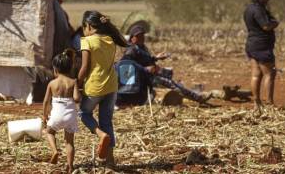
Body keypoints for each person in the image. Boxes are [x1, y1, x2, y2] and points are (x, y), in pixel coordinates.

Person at [77, 10, 128, 165]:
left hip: (94, 86)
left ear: (89, 26)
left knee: (84, 113)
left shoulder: (87, 41)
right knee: (106, 121)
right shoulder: (110, 39)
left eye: (83, 27)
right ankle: (110, 161)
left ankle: (101, 135)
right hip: (112, 85)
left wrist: (77, 83)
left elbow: (85, 67)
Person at [121, 25, 211, 104]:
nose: (141, 38)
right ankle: (197, 98)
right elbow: (126, 70)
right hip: (143, 79)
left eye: (142, 35)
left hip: (149, 75)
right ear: (132, 38)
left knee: (172, 79)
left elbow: (145, 59)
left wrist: (156, 58)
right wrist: (145, 69)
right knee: (171, 83)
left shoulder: (141, 47)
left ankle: (195, 94)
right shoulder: (131, 50)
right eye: (138, 36)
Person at [42, 49, 81, 173]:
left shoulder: (52, 83)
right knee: (69, 142)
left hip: (57, 115)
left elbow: (46, 101)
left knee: (49, 132)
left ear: (55, 69)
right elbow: (76, 98)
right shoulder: (73, 82)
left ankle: (55, 151)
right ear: (70, 68)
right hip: (70, 115)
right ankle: (70, 165)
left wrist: (45, 115)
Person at [244, 0, 279, 112]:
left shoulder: (249, 8)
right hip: (262, 46)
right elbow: (266, 26)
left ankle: (257, 104)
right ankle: (269, 104)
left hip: (252, 44)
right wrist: (275, 23)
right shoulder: (259, 10)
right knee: (270, 73)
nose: (266, 1)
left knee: (256, 74)